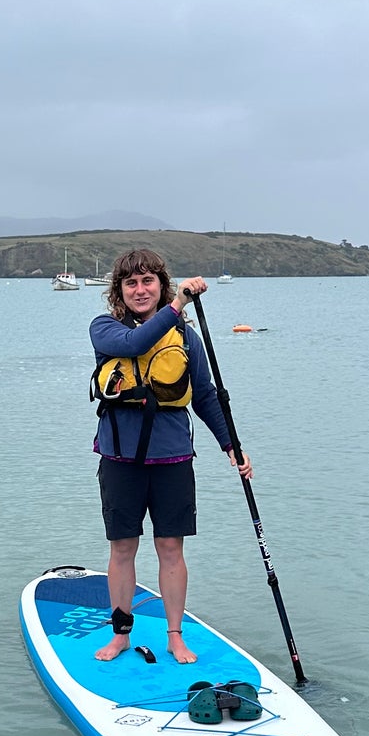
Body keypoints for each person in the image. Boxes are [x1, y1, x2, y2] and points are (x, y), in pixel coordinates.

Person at [88, 248, 252, 665]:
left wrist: (230, 444)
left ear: (160, 284)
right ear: (119, 291)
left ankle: (175, 635)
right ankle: (121, 634)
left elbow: (206, 396)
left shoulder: (185, 338)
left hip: (172, 460)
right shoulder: (105, 329)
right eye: (131, 283)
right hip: (120, 461)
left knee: (170, 548)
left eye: (148, 281)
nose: (140, 290)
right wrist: (178, 304)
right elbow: (136, 341)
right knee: (122, 548)